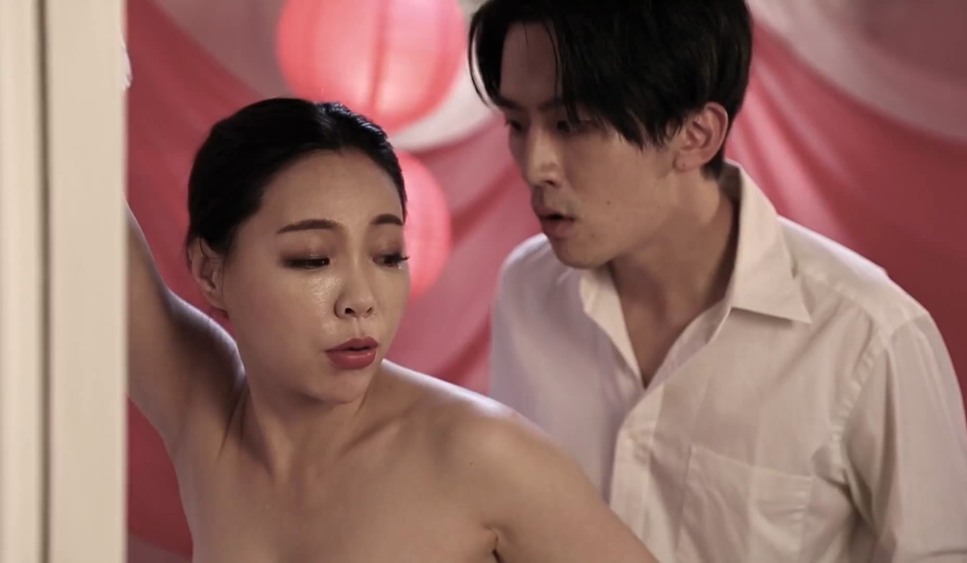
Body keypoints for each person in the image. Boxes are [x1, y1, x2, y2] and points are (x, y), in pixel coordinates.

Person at [470, 1, 967, 561]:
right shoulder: (527, 290)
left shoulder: (866, 334)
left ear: (695, 135)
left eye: (572, 124)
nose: (534, 165)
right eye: (516, 124)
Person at [128, 97, 657, 563]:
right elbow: (88, 206)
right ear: (210, 273)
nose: (361, 300)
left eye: (387, 255)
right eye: (312, 259)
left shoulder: (482, 455)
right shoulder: (206, 418)